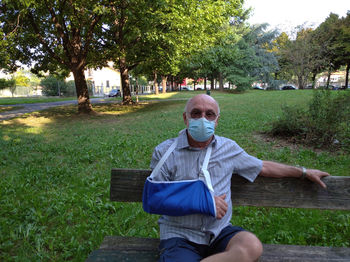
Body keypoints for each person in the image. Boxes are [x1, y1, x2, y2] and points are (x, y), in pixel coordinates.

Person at [145, 94, 330, 262]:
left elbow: (262, 166)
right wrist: (204, 201)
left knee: (251, 245)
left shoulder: (229, 148)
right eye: (196, 113)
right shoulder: (165, 152)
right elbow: (155, 198)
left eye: (209, 114)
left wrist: (303, 172)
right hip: (179, 235)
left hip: (218, 232)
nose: (203, 119)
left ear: (216, 121)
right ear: (185, 118)